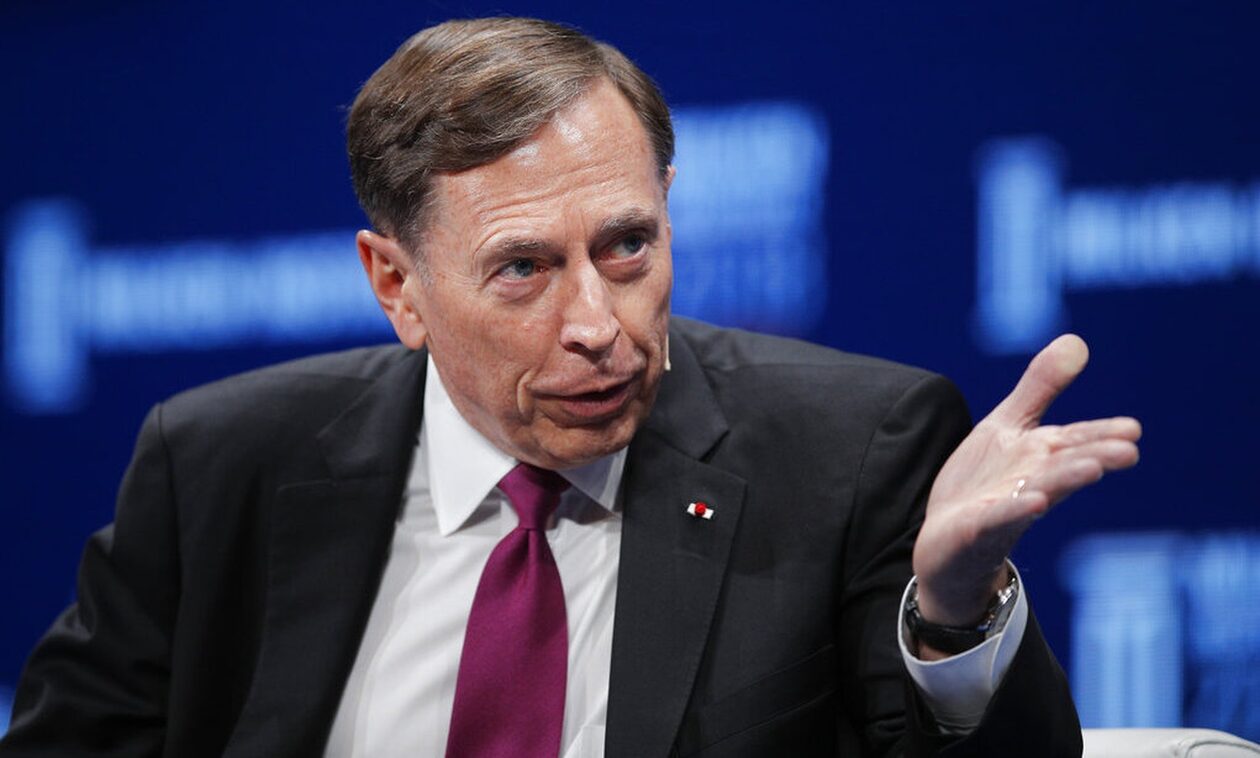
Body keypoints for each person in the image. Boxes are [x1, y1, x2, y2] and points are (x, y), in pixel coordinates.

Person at [0, 17, 1140, 758]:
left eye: (627, 246)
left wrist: (953, 615)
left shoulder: (849, 449)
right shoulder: (220, 463)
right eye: (524, 269)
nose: (598, 324)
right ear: (397, 284)